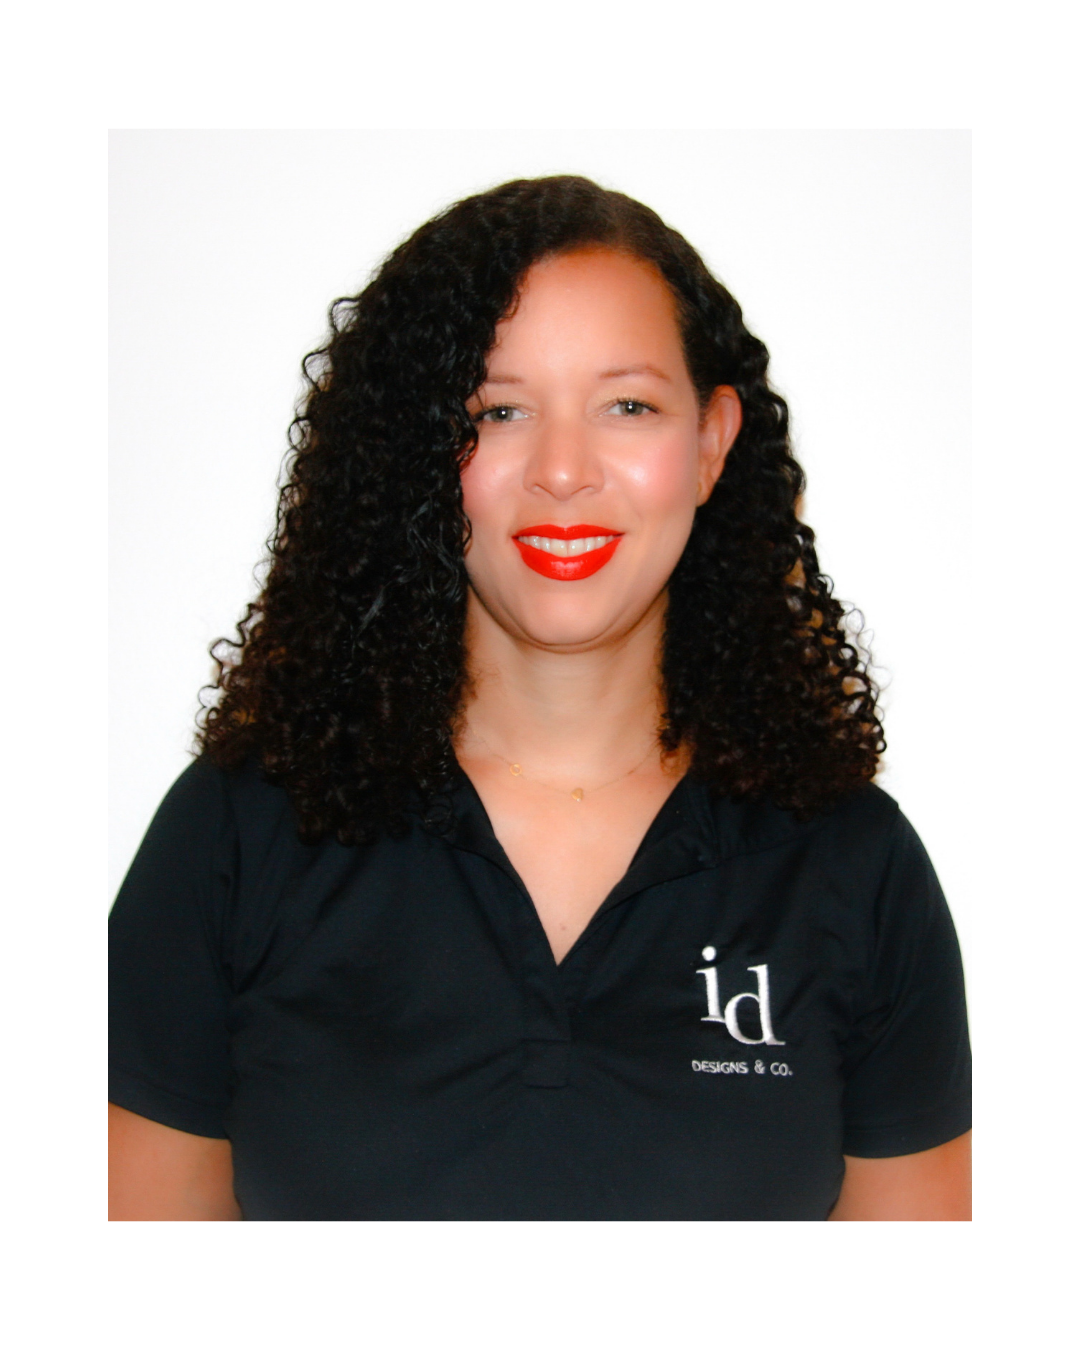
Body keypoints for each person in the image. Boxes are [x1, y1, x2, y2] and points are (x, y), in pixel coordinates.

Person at [109, 176, 970, 1234]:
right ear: (424, 453)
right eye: (498, 411)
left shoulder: (854, 870)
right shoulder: (238, 835)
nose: (563, 471)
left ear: (709, 443)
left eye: (628, 406)